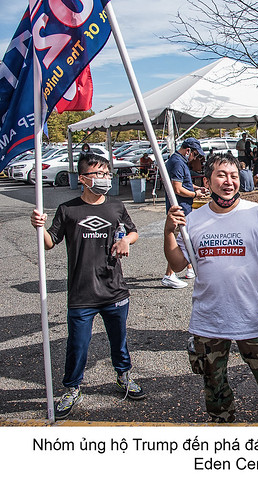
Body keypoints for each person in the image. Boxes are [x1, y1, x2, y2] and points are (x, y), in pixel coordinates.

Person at [163, 153, 258, 423]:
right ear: (207, 182)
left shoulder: (256, 214)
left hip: (254, 317)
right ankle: (222, 424)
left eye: (234, 176)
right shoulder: (194, 220)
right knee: (214, 387)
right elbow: (177, 264)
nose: (229, 181)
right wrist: (169, 232)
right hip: (208, 319)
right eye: (221, 175)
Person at [30, 153, 145, 420]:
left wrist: (126, 240)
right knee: (78, 345)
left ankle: (124, 376)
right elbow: (50, 242)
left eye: (106, 174)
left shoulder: (116, 206)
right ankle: (72, 388)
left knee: (119, 341)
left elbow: (133, 232)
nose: (104, 178)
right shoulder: (68, 210)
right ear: (83, 179)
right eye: (98, 174)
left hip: (114, 289)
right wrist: (40, 227)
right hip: (81, 292)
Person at [161, 138, 208, 289]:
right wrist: (195, 194)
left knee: (186, 239)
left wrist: (196, 188)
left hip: (183, 208)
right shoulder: (177, 162)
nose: (195, 158)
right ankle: (169, 274)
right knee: (179, 242)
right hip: (180, 208)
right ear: (188, 151)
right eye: (195, 154)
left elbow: (184, 183)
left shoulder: (178, 161)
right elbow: (177, 188)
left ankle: (189, 267)